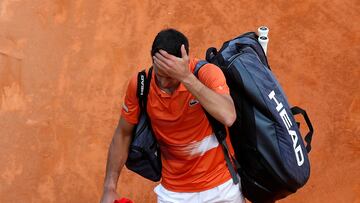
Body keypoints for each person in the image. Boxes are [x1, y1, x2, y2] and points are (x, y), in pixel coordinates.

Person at [100, 28, 245, 203]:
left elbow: (228, 116)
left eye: (171, 77)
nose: (164, 83)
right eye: (160, 75)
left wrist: (186, 78)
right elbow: (123, 135)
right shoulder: (141, 85)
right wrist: (109, 187)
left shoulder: (205, 73)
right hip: (174, 193)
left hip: (222, 186)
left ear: (186, 60)